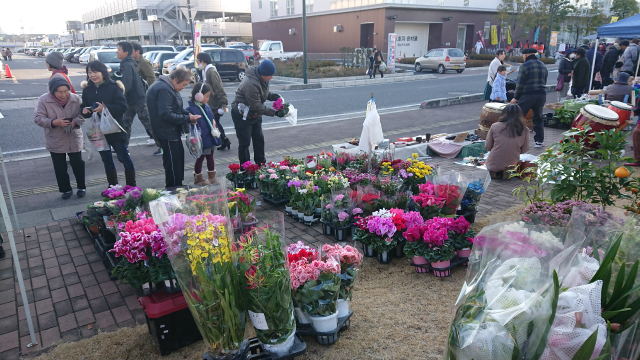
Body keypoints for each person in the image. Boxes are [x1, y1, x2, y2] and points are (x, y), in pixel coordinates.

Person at [81, 61, 136, 187]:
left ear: (103, 72)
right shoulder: (87, 90)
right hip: (98, 130)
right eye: (90, 72)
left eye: (95, 72)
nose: (92, 75)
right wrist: (85, 111)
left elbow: (122, 107)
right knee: (106, 159)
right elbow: (85, 108)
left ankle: (131, 186)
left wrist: (104, 108)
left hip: (114, 129)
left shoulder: (113, 86)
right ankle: (113, 186)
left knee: (123, 158)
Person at [147, 68, 200, 189]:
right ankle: (173, 188)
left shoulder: (168, 87)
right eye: (183, 84)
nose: (184, 88)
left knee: (178, 158)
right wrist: (187, 119)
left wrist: (187, 114)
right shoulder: (164, 89)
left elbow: (175, 107)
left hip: (171, 130)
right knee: (172, 161)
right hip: (166, 131)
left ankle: (178, 184)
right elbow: (165, 114)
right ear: (175, 79)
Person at [35, 77, 86, 199]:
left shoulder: (75, 98)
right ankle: (66, 190)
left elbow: (83, 115)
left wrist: (75, 122)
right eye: (60, 92)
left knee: (77, 163)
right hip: (55, 138)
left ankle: (81, 187)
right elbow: (38, 118)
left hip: (73, 136)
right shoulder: (43, 100)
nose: (64, 94)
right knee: (59, 166)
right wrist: (54, 122)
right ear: (52, 91)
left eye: (66, 91)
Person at [231, 59, 281, 165]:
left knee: (259, 140)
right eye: (270, 75)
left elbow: (262, 93)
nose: (271, 77)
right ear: (263, 74)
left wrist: (272, 96)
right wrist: (275, 113)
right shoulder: (250, 83)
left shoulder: (263, 79)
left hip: (254, 115)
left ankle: (260, 164)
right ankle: (246, 169)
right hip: (242, 115)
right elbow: (257, 105)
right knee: (245, 143)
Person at [116, 41, 155, 152]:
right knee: (125, 124)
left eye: (119, 50)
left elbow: (126, 85)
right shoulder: (127, 63)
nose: (116, 52)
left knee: (148, 123)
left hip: (138, 99)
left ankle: (163, 145)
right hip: (130, 100)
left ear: (126, 52)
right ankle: (124, 148)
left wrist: (118, 96)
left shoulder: (128, 64)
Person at [510, 48, 548, 148]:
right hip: (541, 94)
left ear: (526, 55)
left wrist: (515, 97)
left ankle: (515, 138)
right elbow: (545, 81)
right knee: (538, 117)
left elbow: (520, 84)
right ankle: (539, 141)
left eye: (523, 55)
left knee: (518, 116)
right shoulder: (543, 65)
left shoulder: (524, 66)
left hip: (528, 94)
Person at [186, 82, 222, 186]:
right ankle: (198, 177)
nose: (208, 99)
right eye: (206, 96)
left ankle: (212, 176)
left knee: (210, 156)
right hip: (200, 139)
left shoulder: (206, 107)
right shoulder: (191, 109)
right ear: (199, 95)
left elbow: (212, 119)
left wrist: (214, 125)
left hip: (210, 137)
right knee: (200, 157)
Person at [485, 104, 530, 180]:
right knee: (512, 159)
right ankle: (506, 170)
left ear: (503, 113)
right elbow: (524, 149)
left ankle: (495, 171)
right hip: (512, 163)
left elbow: (488, 146)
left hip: (492, 163)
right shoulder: (524, 129)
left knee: (494, 161)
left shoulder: (495, 126)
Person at [196, 52, 231, 151]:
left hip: (215, 103)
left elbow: (219, 88)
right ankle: (224, 140)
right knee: (214, 123)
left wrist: (223, 103)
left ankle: (224, 140)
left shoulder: (211, 72)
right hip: (210, 103)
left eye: (198, 61)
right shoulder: (205, 71)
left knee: (214, 123)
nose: (197, 63)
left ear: (203, 61)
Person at [130, 42, 160, 152]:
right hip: (132, 97)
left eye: (131, 50)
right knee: (126, 122)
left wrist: (149, 94)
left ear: (138, 51)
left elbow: (151, 79)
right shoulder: (131, 62)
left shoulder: (144, 63)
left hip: (142, 97)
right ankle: (123, 147)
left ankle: (161, 144)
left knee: (148, 121)